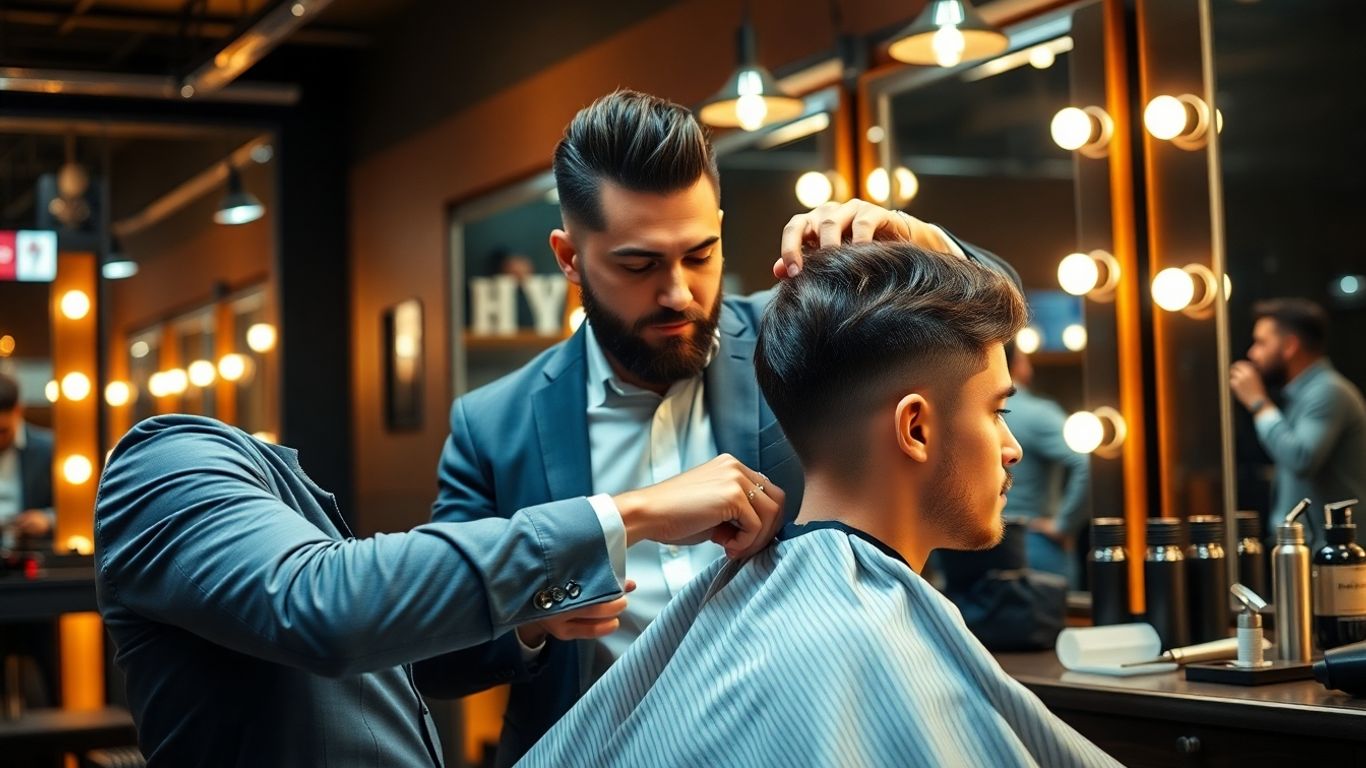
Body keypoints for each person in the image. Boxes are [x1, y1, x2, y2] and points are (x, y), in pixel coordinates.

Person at [413, 89, 1019, 765]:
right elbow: (436, 659)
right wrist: (533, 618)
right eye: (638, 265)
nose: (677, 292)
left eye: (700, 255)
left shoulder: (800, 350)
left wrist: (925, 245)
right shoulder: (495, 424)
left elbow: (981, 345)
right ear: (570, 257)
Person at [518, 242, 1117, 767]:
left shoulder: (758, 611)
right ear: (915, 429)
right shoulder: (855, 639)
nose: (1011, 448)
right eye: (997, 412)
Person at [94, 414, 782, 766]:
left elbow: (377, 673)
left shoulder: (297, 505)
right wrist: (630, 512)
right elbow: (324, 605)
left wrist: (529, 624)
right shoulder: (160, 461)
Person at [1230, 298, 1366, 541]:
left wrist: (1258, 404)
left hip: (1330, 559)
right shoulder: (1302, 394)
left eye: (1261, 342)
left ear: (1290, 346)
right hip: (1307, 552)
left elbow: (1300, 458)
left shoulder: (1328, 391)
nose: (1252, 353)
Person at [1003, 342, 1091, 581]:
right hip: (1034, 543)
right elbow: (1088, 463)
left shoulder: (968, 412)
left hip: (976, 547)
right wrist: (1063, 524)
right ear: (1019, 365)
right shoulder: (1038, 414)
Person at [0, 371, 55, 545]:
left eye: (2, 431)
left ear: (18, 410)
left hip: (32, 556)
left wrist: (47, 519)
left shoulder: (49, 449)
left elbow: (78, 509)